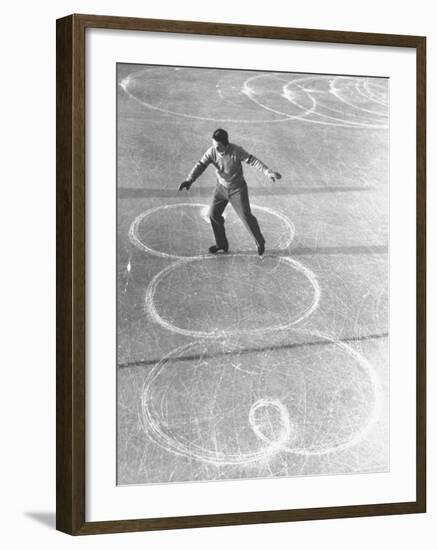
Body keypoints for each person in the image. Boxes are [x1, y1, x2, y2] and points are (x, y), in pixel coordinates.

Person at [179, 128, 282, 256]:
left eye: (217, 146)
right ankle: (221, 244)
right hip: (221, 189)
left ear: (225, 144)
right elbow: (200, 165)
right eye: (213, 144)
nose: (214, 148)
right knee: (213, 214)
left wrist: (267, 171)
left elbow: (253, 161)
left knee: (246, 216)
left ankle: (260, 241)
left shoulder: (236, 151)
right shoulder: (212, 151)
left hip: (238, 190)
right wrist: (189, 180)